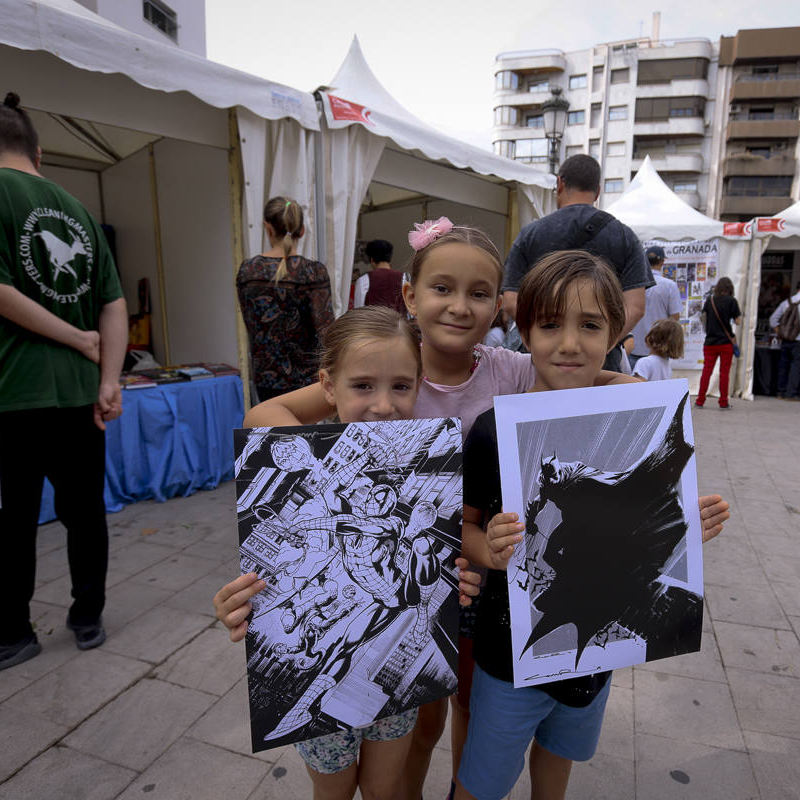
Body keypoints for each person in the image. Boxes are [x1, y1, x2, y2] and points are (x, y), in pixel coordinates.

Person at [218, 218, 732, 800]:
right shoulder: (385, 363)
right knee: (424, 717)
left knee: (465, 706)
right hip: (423, 580)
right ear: (410, 294)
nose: (459, 306)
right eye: (442, 288)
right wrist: (335, 465)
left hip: (483, 578)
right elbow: (267, 419)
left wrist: (652, 412)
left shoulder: (508, 369)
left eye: (479, 293)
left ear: (499, 310)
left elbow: (582, 380)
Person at [455, 250, 726, 800]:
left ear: (617, 333)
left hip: (595, 657)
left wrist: (687, 524)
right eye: (551, 325)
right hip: (510, 657)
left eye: (590, 326)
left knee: (557, 770)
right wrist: (491, 550)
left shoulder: (636, 423)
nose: (570, 343)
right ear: (524, 331)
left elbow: (647, 521)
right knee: (481, 785)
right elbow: (462, 528)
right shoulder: (492, 431)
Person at [216, 307, 471, 800]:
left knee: (383, 786)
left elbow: (415, 580)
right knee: (332, 791)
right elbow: (278, 566)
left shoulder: (404, 501)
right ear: (328, 386)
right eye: (362, 386)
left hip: (386, 672)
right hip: (329, 669)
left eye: (401, 386)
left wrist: (447, 577)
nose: (383, 405)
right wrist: (239, 603)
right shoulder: (321, 499)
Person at [0, 93, 127, 690]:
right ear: (40, 151)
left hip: (7, 395)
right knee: (84, 513)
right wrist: (107, 377)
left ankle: (11, 633)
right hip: (78, 398)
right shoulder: (78, 211)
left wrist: (84, 345)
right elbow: (113, 304)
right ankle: (87, 618)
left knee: (4, 521)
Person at [500, 155, 653, 373]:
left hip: (538, 362)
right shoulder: (625, 236)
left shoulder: (530, 234)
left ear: (560, 184)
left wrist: (544, 335)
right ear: (598, 191)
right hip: (601, 364)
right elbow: (636, 306)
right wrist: (601, 343)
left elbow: (510, 301)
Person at [236, 197, 334, 403]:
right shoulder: (312, 272)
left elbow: (251, 324)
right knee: (306, 434)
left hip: (265, 379)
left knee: (270, 433)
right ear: (302, 230)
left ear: (267, 228)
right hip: (307, 381)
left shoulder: (248, 270)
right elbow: (326, 330)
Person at [628, 246, 683, 369]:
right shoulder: (669, 286)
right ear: (662, 261)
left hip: (634, 347)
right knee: (658, 387)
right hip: (658, 348)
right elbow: (675, 317)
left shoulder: (633, 284)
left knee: (634, 385)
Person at [769, 278, 800, 401]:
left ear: (797, 289)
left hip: (786, 339)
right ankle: (791, 393)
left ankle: (780, 392)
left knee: (783, 365)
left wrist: (779, 332)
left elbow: (773, 319)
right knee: (797, 366)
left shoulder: (787, 302)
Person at [697, 277, 742, 409]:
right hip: (725, 343)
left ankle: (700, 401)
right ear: (730, 289)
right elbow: (738, 321)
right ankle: (723, 402)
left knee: (706, 372)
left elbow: (702, 319)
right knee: (724, 373)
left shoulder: (709, 300)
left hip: (710, 342)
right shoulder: (732, 301)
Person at [350, 238, 406, 314]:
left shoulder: (363, 280)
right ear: (389, 258)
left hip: (372, 325)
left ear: (372, 260)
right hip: (398, 324)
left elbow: (358, 312)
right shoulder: (404, 278)